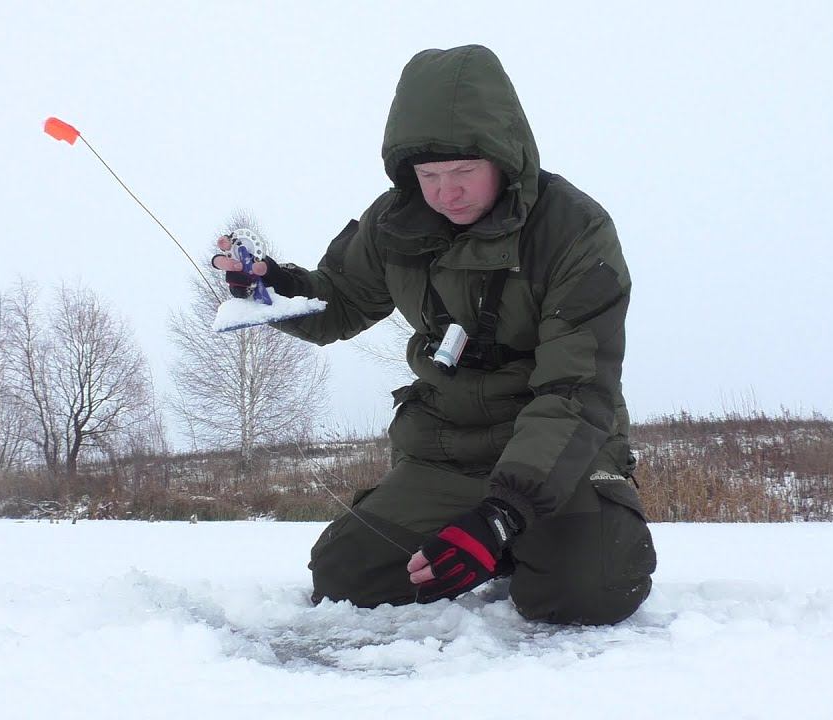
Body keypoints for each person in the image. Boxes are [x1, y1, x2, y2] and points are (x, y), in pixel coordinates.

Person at [212, 44, 656, 625]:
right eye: (429, 176)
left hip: (559, 451)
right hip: (449, 449)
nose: (447, 193)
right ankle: (495, 547)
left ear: (505, 158)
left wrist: (499, 515)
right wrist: (275, 287)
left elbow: (575, 389)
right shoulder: (392, 223)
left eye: (465, 172)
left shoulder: (575, 230)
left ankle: (519, 537)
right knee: (346, 575)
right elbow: (341, 303)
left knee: (588, 592)